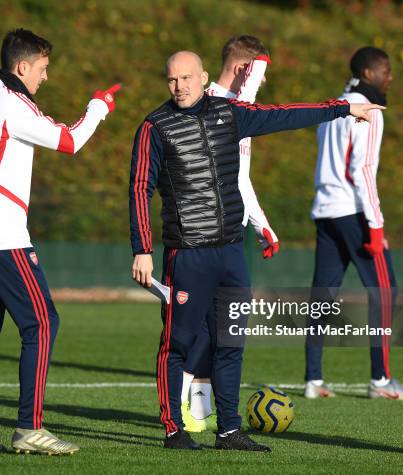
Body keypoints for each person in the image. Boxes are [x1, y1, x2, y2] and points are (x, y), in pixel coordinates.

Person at [129, 50, 381, 450]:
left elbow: (284, 114)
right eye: (172, 79)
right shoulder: (154, 127)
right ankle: (174, 429)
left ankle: (229, 430)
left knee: (230, 345)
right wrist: (142, 248)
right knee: (176, 343)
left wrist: (345, 109)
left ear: (204, 77)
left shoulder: (230, 114)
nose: (180, 86)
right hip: (187, 254)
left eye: (187, 78)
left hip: (230, 253)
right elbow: (140, 187)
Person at [0, 28, 120, 455]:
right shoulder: (10, 102)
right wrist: (98, 106)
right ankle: (29, 428)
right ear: (22, 67)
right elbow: (70, 140)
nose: (46, 77)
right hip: (2, 232)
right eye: (42, 69)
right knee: (43, 322)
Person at [304, 46, 403, 401]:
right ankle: (381, 381)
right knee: (384, 292)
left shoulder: (333, 106)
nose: (391, 76)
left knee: (322, 296)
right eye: (385, 70)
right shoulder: (369, 110)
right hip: (353, 212)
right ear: (369, 74)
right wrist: (376, 226)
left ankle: (313, 380)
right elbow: (362, 170)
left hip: (324, 210)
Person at [181, 35, 279, 433]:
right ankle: (182, 407)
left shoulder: (238, 111)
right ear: (245, 70)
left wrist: (262, 223)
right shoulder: (211, 105)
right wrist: (257, 70)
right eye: (260, 73)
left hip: (232, 235)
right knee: (203, 328)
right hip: (203, 235)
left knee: (224, 328)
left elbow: (240, 177)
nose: (263, 82)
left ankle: (207, 415)